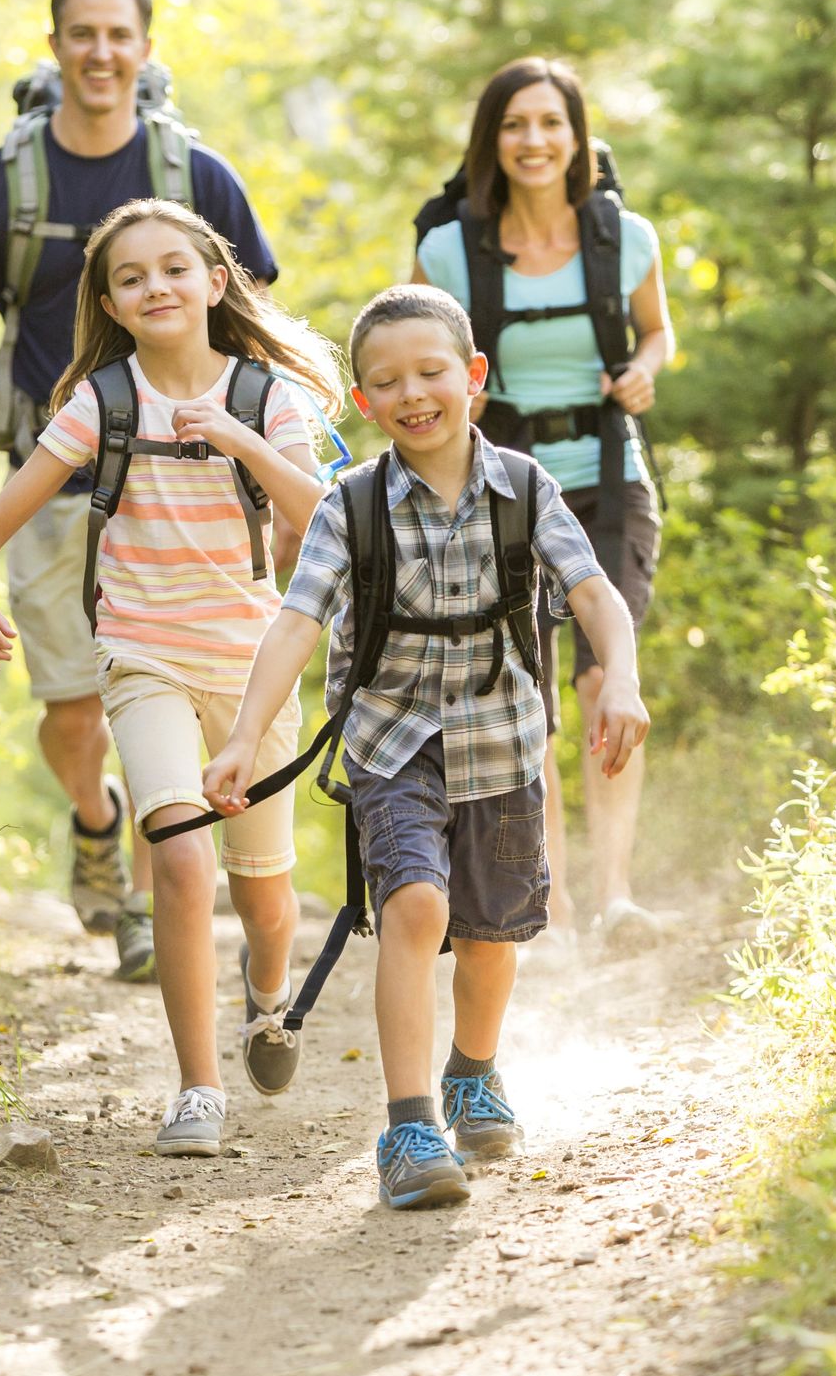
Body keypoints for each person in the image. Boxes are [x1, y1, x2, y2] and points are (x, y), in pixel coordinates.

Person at [201, 285, 649, 1209]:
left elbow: (596, 593)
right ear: (363, 402)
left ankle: (472, 1070)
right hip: (391, 743)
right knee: (412, 909)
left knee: (490, 937)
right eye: (387, 381)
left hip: (503, 741)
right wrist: (246, 736)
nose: (414, 393)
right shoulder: (348, 507)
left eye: (432, 371)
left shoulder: (526, 488)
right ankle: (409, 1126)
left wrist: (627, 681)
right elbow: (293, 623)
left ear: (474, 376)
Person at [0, 199, 341, 1156]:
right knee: (176, 854)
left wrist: (240, 441)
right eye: (131, 277)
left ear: (215, 283)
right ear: (112, 304)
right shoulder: (103, 402)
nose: (154, 286)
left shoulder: (267, 398)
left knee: (265, 897)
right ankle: (197, 1090)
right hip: (140, 652)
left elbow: (324, 517)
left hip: (253, 663)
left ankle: (267, 992)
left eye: (174, 269)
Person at [0, 0, 281, 980]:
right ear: (54, 47)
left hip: (189, 491)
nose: (101, 52)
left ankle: (153, 891)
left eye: (119, 34)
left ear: (146, 49)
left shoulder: (197, 179)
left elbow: (250, 332)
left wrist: (278, 473)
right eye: (81, 34)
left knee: (181, 693)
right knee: (71, 708)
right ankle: (96, 823)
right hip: (56, 476)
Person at [411, 57, 673, 940]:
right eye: (515, 125)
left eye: (551, 124)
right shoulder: (449, 250)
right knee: (528, 691)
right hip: (503, 482)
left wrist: (643, 370)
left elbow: (658, 331)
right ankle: (549, 899)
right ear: (492, 141)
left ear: (577, 137)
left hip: (608, 471)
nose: (534, 141)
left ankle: (615, 895)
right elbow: (428, 359)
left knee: (607, 671)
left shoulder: (624, 237)